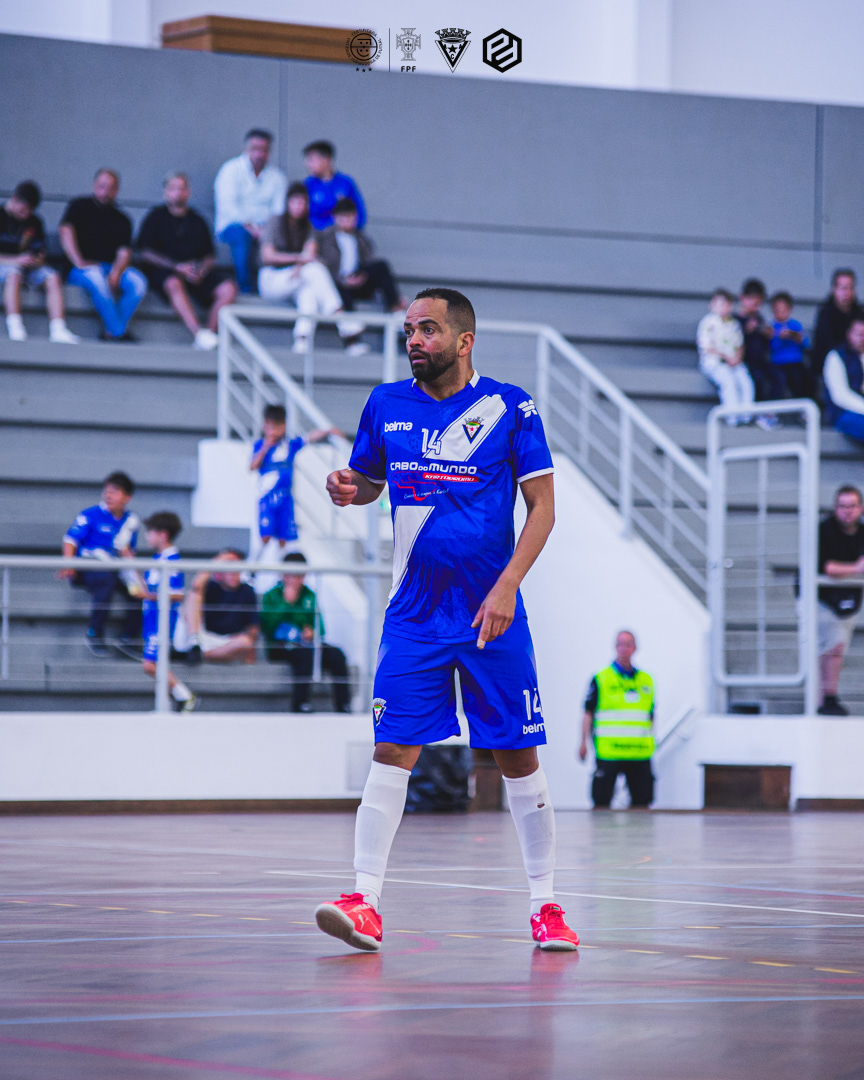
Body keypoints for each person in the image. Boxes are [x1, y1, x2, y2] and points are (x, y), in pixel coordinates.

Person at [314, 287, 579, 953]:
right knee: (391, 750)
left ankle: (546, 905)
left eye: (428, 330)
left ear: (464, 341)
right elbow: (370, 480)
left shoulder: (510, 408)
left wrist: (508, 586)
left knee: (517, 756)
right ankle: (364, 901)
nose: (414, 340)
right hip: (413, 615)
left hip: (492, 615)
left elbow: (543, 507)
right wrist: (351, 488)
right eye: (409, 330)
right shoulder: (385, 404)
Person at [137, 172, 237, 351]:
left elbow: (209, 255)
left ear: (188, 192)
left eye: (182, 188)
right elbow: (145, 252)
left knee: (228, 288)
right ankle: (198, 332)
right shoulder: (155, 217)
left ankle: (208, 334)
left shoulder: (197, 220)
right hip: (165, 272)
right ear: (166, 192)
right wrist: (177, 267)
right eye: (173, 188)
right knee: (173, 282)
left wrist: (201, 270)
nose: (178, 193)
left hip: (195, 273)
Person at [258, 182, 356, 355]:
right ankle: (341, 318)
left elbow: (310, 254)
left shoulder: (309, 226)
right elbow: (268, 256)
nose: (299, 206)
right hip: (271, 279)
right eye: (295, 201)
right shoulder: (275, 221)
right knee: (313, 269)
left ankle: (302, 340)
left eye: (303, 202)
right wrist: (299, 260)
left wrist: (300, 265)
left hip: (297, 277)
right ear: (287, 202)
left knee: (308, 292)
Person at [59, 168, 147, 341]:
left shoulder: (122, 219)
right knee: (96, 277)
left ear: (117, 190)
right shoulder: (79, 206)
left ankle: (111, 331)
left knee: (138, 283)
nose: (105, 191)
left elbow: (124, 252)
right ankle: (118, 332)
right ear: (94, 185)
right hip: (81, 268)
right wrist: (78, 261)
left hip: (110, 267)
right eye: (101, 186)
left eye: (110, 187)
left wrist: (116, 273)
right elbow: (65, 232)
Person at [59, 471, 141, 656]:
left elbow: (129, 552)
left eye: (115, 492)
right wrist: (69, 564)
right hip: (90, 567)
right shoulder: (90, 514)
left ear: (127, 497)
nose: (108, 495)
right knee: (106, 580)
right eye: (107, 491)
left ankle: (128, 638)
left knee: (138, 593)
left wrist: (135, 578)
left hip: (115, 569)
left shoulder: (131, 522)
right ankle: (94, 633)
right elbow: (70, 540)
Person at [261, 552, 351, 713]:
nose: (295, 580)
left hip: (305, 644)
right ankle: (300, 703)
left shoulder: (309, 595)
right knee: (304, 654)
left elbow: (320, 628)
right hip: (280, 646)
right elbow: (267, 627)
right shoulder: (271, 595)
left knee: (336, 654)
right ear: (283, 574)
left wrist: (312, 632)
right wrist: (286, 603)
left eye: (300, 575)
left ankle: (343, 705)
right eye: (291, 575)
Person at [579, 630, 655, 808]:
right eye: (621, 644)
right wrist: (583, 742)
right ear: (615, 647)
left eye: (628, 644)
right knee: (601, 801)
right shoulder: (601, 678)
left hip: (639, 752)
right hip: (609, 752)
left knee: (642, 802)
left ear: (635, 648)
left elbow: (650, 715)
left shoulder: (646, 680)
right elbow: (588, 713)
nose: (624, 649)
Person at [317, 198, 403, 356]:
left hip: (358, 280)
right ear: (336, 218)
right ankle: (352, 342)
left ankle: (396, 310)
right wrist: (343, 281)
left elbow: (368, 262)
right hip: (338, 283)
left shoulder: (362, 239)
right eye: (343, 216)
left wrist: (360, 277)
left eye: (350, 216)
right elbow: (324, 268)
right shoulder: (326, 239)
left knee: (381, 266)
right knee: (341, 292)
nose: (347, 221)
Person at [250, 404, 340, 548]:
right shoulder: (260, 445)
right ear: (265, 426)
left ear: (284, 426)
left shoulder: (289, 445)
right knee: (266, 534)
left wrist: (327, 430)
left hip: (285, 496)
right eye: (271, 427)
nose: (274, 431)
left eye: (277, 427)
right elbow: (252, 466)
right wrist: (265, 447)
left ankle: (281, 559)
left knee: (284, 536)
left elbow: (308, 438)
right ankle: (258, 560)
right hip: (267, 496)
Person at [0, 180, 78, 344]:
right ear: (15, 199)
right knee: (14, 274)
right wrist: (16, 260)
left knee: (53, 277)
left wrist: (36, 259)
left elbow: (41, 251)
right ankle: (15, 327)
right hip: (6, 266)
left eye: (30, 211)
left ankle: (58, 329)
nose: (25, 215)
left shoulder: (35, 221)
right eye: (23, 210)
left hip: (29, 268)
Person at [134, 512, 198, 712]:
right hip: (152, 619)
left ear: (163, 534)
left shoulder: (171, 559)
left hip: (162, 620)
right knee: (156, 663)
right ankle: (166, 704)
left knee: (150, 664)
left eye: (150, 532)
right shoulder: (159, 558)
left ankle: (185, 696)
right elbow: (149, 589)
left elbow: (177, 593)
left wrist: (148, 596)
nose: (147, 536)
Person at [214, 129, 287, 294]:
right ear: (246, 149)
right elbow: (228, 206)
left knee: (280, 238)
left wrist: (264, 229)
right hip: (234, 227)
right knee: (242, 236)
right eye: (255, 149)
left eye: (264, 150)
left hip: (266, 228)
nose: (259, 154)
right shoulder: (230, 170)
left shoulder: (277, 177)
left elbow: (279, 211)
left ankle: (272, 288)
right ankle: (246, 290)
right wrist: (251, 227)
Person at [815, 486, 864, 716]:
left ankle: (826, 699)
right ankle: (824, 698)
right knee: (830, 646)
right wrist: (855, 568)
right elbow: (826, 567)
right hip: (820, 598)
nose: (847, 511)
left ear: (860, 508)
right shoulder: (824, 530)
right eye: (842, 506)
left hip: (847, 598)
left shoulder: (862, 533)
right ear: (835, 508)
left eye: (852, 506)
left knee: (836, 647)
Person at [187, 549, 259, 663]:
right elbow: (196, 586)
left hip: (229, 641)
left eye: (236, 569)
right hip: (204, 637)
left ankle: (202, 655)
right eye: (230, 568)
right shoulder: (211, 586)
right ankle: (194, 642)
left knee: (245, 642)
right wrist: (217, 561)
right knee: (192, 596)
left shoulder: (247, 591)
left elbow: (253, 627)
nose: (234, 574)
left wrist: (251, 653)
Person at [696, 288, 753, 423]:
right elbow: (706, 347)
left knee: (746, 383)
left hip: (734, 362)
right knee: (728, 382)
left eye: (725, 304)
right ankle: (732, 418)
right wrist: (726, 357)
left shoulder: (734, 324)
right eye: (718, 303)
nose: (722, 307)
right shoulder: (708, 322)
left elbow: (740, 344)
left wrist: (736, 358)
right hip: (715, 362)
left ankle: (746, 417)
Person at [302, 140, 366, 233]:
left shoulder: (346, 183)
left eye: (312, 160)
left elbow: (360, 215)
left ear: (326, 159)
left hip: (344, 234)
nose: (308, 164)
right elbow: (304, 216)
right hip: (316, 236)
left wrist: (346, 223)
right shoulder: (308, 184)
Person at [812, 269, 859, 385]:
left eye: (850, 288)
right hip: (831, 365)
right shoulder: (825, 313)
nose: (847, 293)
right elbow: (826, 346)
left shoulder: (858, 313)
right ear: (834, 289)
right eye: (843, 288)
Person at [823, 313, 864, 442]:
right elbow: (840, 396)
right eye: (859, 334)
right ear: (849, 334)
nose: (862, 339)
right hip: (845, 413)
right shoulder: (836, 357)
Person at [735, 278, 773, 402]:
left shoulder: (760, 319)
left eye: (758, 304)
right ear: (742, 298)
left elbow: (765, 345)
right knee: (757, 378)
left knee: (778, 377)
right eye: (752, 302)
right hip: (744, 362)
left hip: (760, 361)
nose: (755, 307)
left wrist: (767, 335)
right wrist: (745, 331)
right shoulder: (735, 320)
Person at [768, 291, 810, 400]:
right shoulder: (771, 327)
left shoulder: (795, 325)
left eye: (783, 310)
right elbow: (770, 347)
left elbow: (805, 343)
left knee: (801, 379)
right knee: (778, 381)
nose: (780, 313)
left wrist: (793, 335)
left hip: (795, 362)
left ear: (790, 310)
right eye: (777, 310)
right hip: (778, 364)